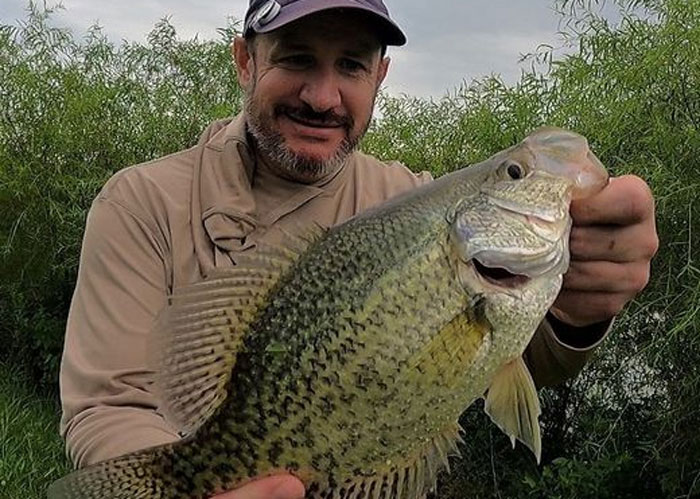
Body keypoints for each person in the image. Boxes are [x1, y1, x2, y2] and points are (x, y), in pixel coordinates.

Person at [58, 1, 659, 498]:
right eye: (296, 59)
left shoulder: (409, 200)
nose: (323, 97)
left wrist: (581, 311)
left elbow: (515, 359)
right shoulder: (141, 202)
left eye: (350, 65)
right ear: (245, 60)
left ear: (381, 77)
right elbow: (110, 406)